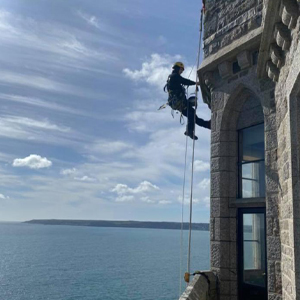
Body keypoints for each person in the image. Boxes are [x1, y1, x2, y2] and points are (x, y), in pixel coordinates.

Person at [165, 62, 210, 140]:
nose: (181, 72)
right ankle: (190, 130)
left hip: (180, 103)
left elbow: (182, 81)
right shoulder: (174, 76)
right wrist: (195, 83)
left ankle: (207, 125)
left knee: (193, 116)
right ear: (178, 68)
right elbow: (184, 81)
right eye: (181, 70)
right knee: (192, 115)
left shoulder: (173, 77)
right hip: (180, 102)